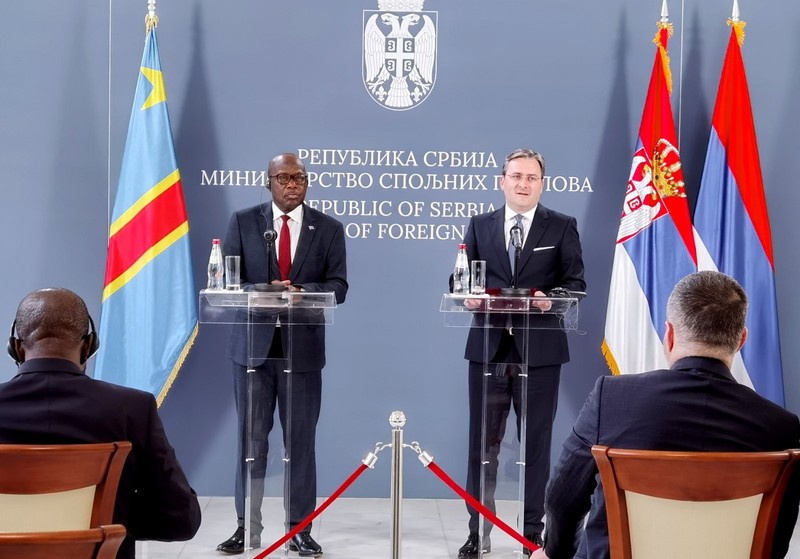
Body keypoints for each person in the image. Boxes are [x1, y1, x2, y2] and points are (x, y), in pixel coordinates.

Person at [533, 271, 800, 559]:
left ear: (669, 334)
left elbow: (562, 501)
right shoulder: (781, 427)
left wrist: (555, 554)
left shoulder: (610, 398)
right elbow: (776, 537)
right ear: (741, 340)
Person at [0, 288, 201, 559]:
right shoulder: (132, 408)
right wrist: (113, 515)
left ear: (15, 348)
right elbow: (181, 519)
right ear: (89, 346)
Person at [456, 148, 586, 557]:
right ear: (503, 181)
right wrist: (467, 297)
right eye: (516, 176)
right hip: (489, 350)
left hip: (540, 353)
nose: (523, 183)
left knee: (536, 447)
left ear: (542, 184)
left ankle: (533, 534)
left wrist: (552, 298)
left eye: (531, 177)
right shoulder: (480, 225)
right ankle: (478, 531)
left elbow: (576, 283)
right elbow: (460, 280)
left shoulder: (562, 226)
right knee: (482, 447)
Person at [217, 152, 348, 557]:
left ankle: (299, 530)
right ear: (269, 182)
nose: (293, 184)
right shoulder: (244, 221)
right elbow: (228, 281)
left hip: (301, 352)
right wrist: (260, 291)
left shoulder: (328, 228)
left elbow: (339, 286)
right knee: (251, 443)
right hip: (252, 352)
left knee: (301, 445)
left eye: (300, 178)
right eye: (284, 177)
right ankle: (246, 527)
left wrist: (302, 292)